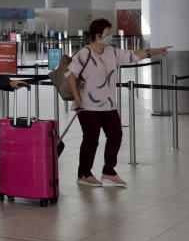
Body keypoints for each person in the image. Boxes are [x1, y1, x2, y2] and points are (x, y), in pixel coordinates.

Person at [67, 18, 170, 187]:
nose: (111, 36)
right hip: (88, 105)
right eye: (108, 33)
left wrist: (153, 51)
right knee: (91, 140)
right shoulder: (84, 53)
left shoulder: (112, 52)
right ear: (98, 35)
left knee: (115, 135)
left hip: (108, 104)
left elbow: (133, 55)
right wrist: (77, 99)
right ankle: (84, 174)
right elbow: (70, 75)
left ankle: (109, 171)